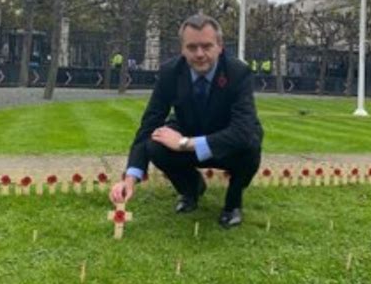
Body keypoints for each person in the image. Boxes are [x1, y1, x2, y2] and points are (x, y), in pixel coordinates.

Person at [110, 14, 263, 228]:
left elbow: (243, 130)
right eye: (192, 47)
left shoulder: (238, 72)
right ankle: (191, 189)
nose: (200, 54)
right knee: (155, 143)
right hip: (189, 129)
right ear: (182, 49)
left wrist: (185, 143)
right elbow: (149, 125)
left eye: (207, 46)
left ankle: (233, 203)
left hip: (228, 143)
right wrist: (130, 178)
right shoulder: (170, 72)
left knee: (252, 145)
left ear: (219, 46)